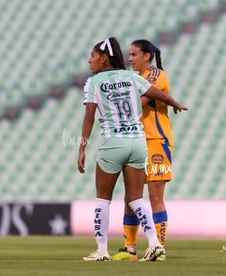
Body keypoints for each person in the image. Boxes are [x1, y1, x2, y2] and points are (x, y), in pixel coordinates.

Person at [78, 37, 187, 262]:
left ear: (104, 59)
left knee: (103, 199)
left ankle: (102, 250)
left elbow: (89, 117)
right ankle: (154, 244)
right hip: (138, 142)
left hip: (114, 143)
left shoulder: (94, 82)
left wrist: (82, 148)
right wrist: (175, 103)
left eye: (92, 56)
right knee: (137, 200)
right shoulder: (132, 77)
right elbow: (158, 94)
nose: (89, 61)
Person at [112, 40, 173, 262]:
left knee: (155, 195)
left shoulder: (156, 75)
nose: (130, 59)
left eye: (134, 54)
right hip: (136, 142)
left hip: (156, 140)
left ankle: (159, 249)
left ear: (147, 56)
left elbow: (139, 102)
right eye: (129, 54)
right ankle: (130, 250)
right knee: (131, 197)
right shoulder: (133, 79)